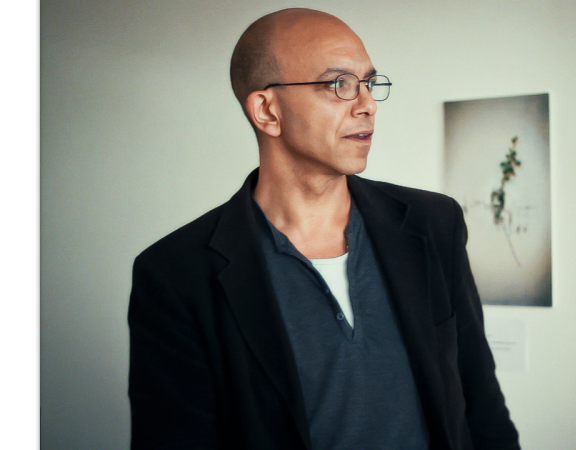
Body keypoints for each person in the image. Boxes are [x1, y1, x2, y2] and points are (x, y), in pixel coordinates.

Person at [128, 8, 520, 450]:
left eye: (369, 83)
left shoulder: (433, 223)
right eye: (339, 84)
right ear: (267, 111)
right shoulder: (176, 273)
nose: (368, 104)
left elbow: (481, 404)